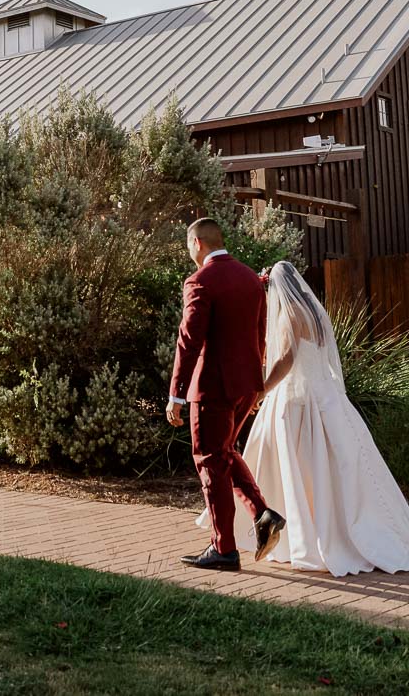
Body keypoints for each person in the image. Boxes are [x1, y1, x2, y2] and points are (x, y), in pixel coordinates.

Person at [201, 261, 409, 576]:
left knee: (292, 465)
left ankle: (292, 529)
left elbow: (286, 360)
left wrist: (261, 391)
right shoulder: (316, 314)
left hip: (298, 400)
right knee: (333, 468)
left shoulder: (290, 314)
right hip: (327, 396)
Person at [167, 217, 286, 571]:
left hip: (213, 388)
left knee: (208, 460)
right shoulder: (251, 279)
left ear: (197, 243)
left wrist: (177, 393)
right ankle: (262, 514)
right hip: (247, 385)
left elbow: (189, 341)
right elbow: (260, 334)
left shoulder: (200, 281)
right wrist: (258, 383)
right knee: (224, 453)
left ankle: (224, 549)